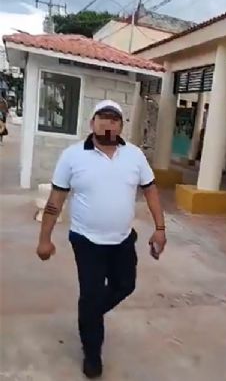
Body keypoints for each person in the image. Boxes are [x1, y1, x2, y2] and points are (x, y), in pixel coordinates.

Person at [36, 100, 167, 379]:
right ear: (91, 123)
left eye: (115, 119)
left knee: (125, 285)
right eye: (103, 118)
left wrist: (160, 228)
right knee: (93, 293)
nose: (109, 123)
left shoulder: (134, 155)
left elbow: (151, 191)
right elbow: (55, 200)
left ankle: (89, 314)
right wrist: (44, 239)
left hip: (122, 240)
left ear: (121, 125)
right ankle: (92, 354)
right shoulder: (72, 156)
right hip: (86, 241)